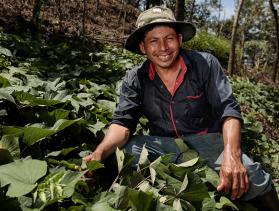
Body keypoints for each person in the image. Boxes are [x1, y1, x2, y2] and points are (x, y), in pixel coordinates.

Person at [84, 6, 279, 210]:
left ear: (179, 39)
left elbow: (227, 110)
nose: (163, 47)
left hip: (207, 142)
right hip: (162, 145)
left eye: (169, 38)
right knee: (114, 155)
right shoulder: (135, 78)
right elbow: (123, 124)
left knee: (253, 177)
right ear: (143, 47)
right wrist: (98, 154)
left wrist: (232, 155)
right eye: (154, 41)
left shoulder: (205, 64)